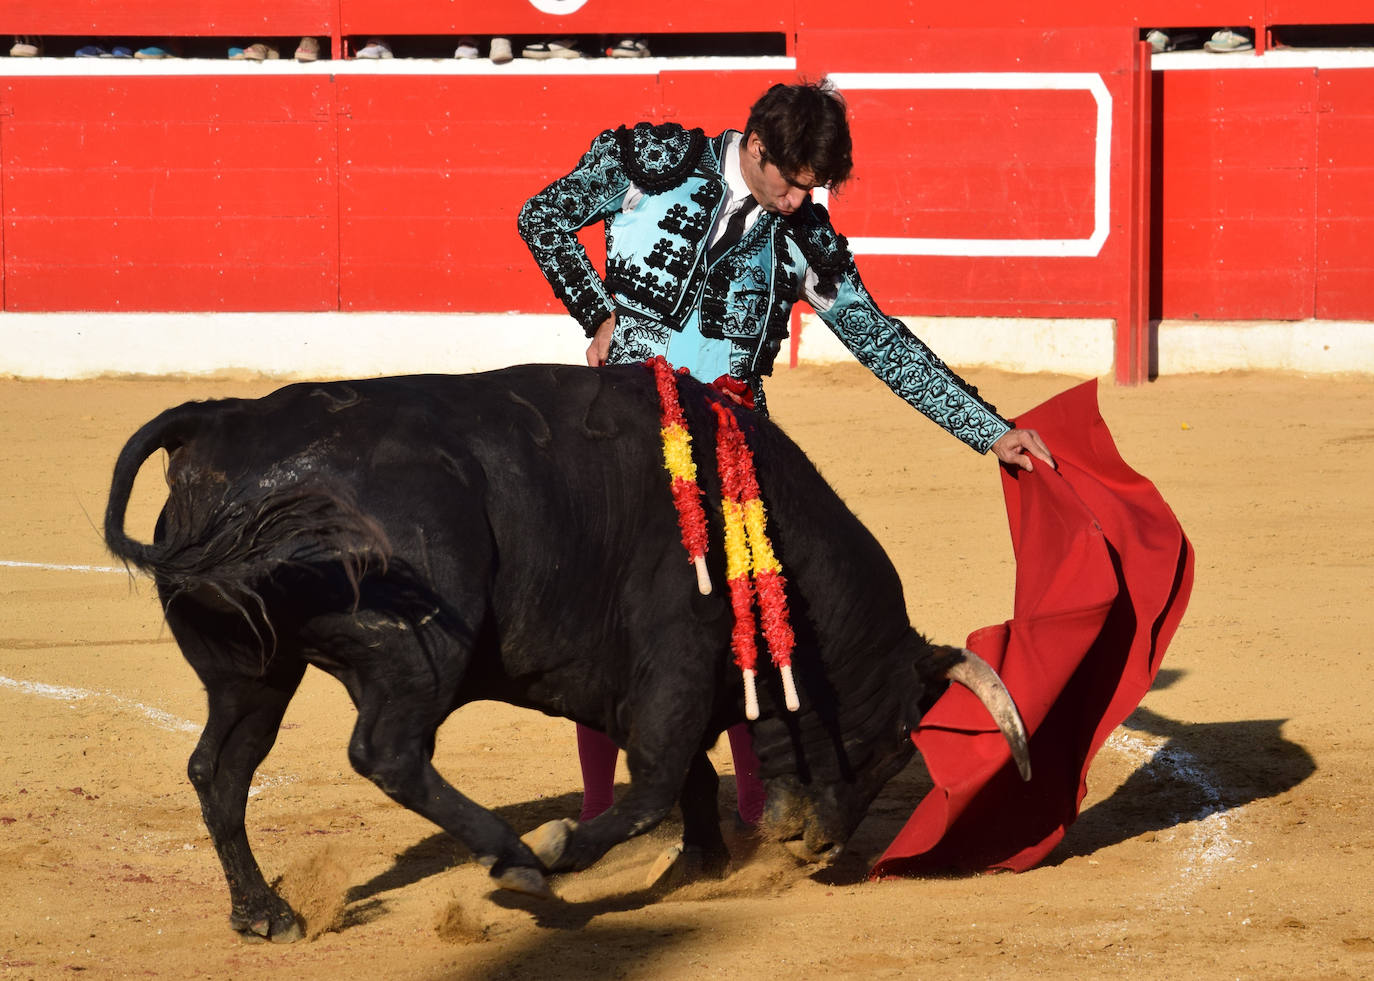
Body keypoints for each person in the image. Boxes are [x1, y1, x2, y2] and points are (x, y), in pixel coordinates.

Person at [517, 80, 1053, 829]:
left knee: (747, 622)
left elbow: (880, 339)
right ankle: (604, 805)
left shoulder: (804, 240)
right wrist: (595, 312)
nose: (802, 201)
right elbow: (541, 218)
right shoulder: (652, 164)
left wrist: (987, 429)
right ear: (758, 148)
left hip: (733, 447)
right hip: (620, 440)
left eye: (816, 187)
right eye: (793, 182)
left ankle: (757, 803)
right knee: (614, 625)